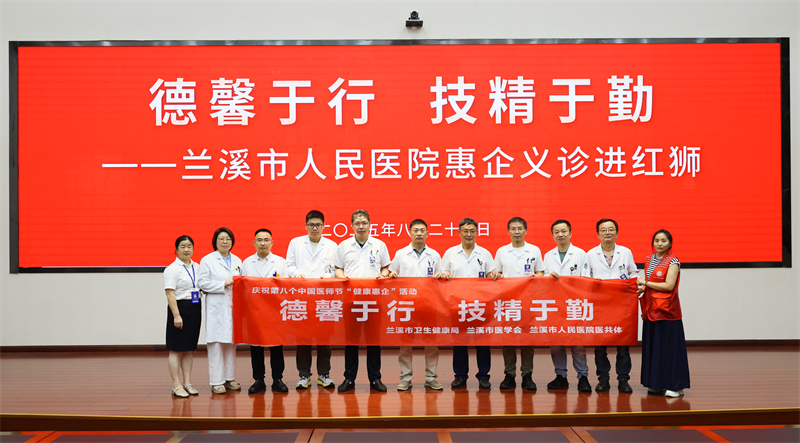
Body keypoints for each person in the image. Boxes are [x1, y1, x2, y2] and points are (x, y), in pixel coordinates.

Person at [437, 218, 499, 390]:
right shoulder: (450, 253)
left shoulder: (485, 253)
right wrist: (445, 275)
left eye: (472, 231)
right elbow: (442, 273)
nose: (469, 234)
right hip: (458, 304)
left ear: (477, 233)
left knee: (483, 343)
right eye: (465, 231)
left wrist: (493, 274)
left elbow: (491, 273)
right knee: (459, 342)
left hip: (481, 305)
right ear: (459, 233)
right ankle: (460, 376)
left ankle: (484, 376)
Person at [334, 210, 391, 392]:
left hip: (373, 300)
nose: (361, 226)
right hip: (351, 300)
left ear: (369, 225)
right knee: (351, 340)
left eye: (364, 223)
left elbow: (385, 267)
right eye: (357, 223)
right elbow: (338, 268)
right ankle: (349, 378)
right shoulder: (344, 246)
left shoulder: (379, 245)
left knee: (373, 340)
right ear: (351, 225)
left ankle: (375, 378)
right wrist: (343, 278)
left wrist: (383, 276)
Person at [387, 219, 443, 391]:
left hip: (429, 304)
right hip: (407, 305)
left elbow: (441, 276)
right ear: (410, 233)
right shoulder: (401, 254)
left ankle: (431, 377)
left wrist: (441, 275)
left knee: (431, 343)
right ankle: (405, 378)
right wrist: (392, 273)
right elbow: (391, 272)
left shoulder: (434, 255)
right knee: (406, 343)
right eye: (415, 230)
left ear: (427, 233)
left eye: (422, 230)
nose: (419, 233)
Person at [585, 218, 638, 393]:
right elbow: (585, 277)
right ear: (598, 234)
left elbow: (633, 272)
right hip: (599, 306)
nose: (607, 232)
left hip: (621, 305)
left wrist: (634, 282)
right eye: (603, 230)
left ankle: (623, 380)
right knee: (600, 346)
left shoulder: (625, 252)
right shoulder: (590, 254)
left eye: (611, 229)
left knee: (623, 346)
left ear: (617, 232)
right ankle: (603, 379)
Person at [286, 210, 337, 390]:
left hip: (324, 297)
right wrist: (297, 274)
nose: (315, 228)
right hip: (302, 297)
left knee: (324, 339)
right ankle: (304, 375)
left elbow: (336, 269)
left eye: (318, 225)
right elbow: (289, 265)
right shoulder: (295, 243)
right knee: (303, 339)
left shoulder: (332, 245)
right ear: (306, 226)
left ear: (323, 226)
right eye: (311, 225)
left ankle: (324, 374)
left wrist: (327, 277)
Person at [638, 229, 690, 398]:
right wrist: (643, 287)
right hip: (650, 309)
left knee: (670, 349)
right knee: (654, 347)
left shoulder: (673, 261)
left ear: (670, 244)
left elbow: (669, 285)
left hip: (667, 311)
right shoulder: (649, 259)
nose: (659, 244)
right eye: (657, 240)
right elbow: (651, 282)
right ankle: (656, 384)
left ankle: (676, 386)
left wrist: (645, 282)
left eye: (663, 241)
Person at [494, 217, 544, 391]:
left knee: (527, 340)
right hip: (507, 302)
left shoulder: (534, 250)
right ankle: (509, 375)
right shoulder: (501, 251)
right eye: (513, 229)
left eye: (519, 228)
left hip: (528, 301)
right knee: (508, 339)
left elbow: (540, 272)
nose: (516, 232)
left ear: (525, 231)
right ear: (508, 231)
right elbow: (496, 272)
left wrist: (537, 277)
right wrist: (496, 275)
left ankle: (527, 375)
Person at [542, 220, 592, 393]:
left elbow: (586, 279)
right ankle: (560, 376)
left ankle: (583, 376)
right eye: (556, 232)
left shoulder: (580, 254)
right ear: (553, 235)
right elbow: (542, 281)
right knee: (556, 342)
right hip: (554, 305)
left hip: (574, 304)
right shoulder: (548, 256)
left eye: (563, 231)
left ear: (570, 233)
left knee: (577, 343)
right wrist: (549, 277)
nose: (560, 234)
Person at [241, 229, 289, 394]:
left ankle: (277, 379)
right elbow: (243, 288)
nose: (263, 243)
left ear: (272, 243)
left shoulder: (280, 262)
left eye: (266, 240)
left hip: (275, 311)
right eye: (259, 240)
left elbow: (287, 286)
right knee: (256, 347)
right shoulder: (247, 263)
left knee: (276, 347)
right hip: (254, 311)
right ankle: (258, 380)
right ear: (254, 243)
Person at [198, 227, 243, 395]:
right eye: (221, 238)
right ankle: (217, 382)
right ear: (215, 241)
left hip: (233, 308)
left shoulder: (238, 260)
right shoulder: (208, 260)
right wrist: (222, 284)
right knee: (216, 344)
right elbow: (202, 283)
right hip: (216, 308)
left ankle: (229, 379)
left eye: (228, 239)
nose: (225, 242)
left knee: (231, 344)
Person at [164, 235, 202, 397]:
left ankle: (187, 382)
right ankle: (176, 384)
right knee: (176, 349)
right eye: (183, 246)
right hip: (179, 308)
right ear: (176, 249)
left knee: (188, 348)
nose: (186, 250)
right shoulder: (172, 269)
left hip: (195, 308)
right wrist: (176, 315)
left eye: (189, 246)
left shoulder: (198, 266)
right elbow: (170, 294)